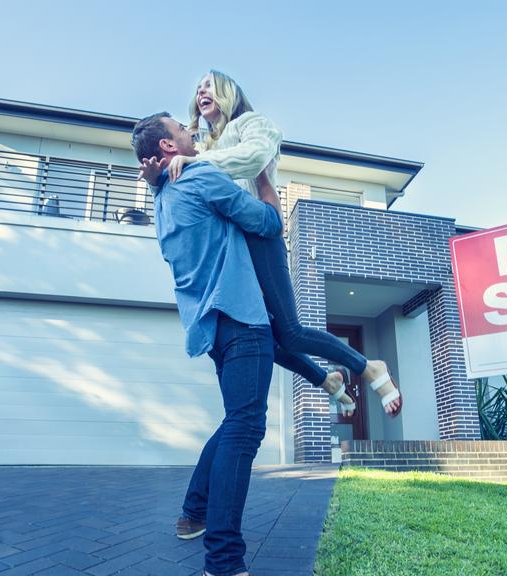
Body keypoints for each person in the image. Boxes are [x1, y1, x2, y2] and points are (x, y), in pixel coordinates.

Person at [141, 70, 402, 421]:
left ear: (227, 92)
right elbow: (184, 185)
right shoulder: (204, 148)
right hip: (236, 249)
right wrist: (157, 178)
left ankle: (367, 366)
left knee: (290, 334)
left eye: (208, 85)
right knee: (267, 339)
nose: (201, 91)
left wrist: (195, 161)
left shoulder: (253, 124)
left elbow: (253, 156)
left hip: (262, 235)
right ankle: (329, 380)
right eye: (197, 88)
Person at [132, 111, 282, 576]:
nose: (191, 130)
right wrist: (265, 181)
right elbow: (268, 223)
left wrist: (158, 179)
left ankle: (192, 513)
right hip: (242, 319)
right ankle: (223, 560)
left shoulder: (162, 197)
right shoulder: (199, 176)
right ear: (169, 149)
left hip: (213, 329)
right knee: (245, 431)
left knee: (236, 420)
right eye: (181, 128)